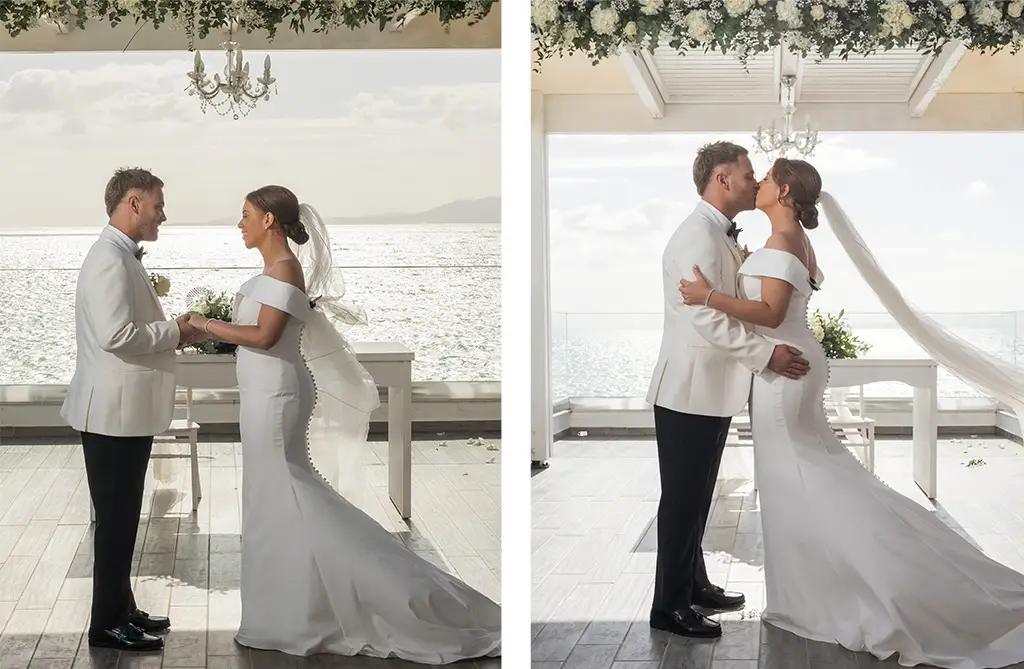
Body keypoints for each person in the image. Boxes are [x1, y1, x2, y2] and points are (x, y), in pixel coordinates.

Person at [678, 158, 1024, 669]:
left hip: (782, 371)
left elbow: (772, 313)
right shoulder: (792, 240)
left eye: (768, 178)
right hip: (795, 362)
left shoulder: (784, 241)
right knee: (809, 477)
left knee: (803, 477)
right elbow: (785, 294)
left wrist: (708, 295)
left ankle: (853, 589)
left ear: (786, 188)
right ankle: (816, 589)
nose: (762, 185)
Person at [183, 185, 501, 664]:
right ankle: (285, 609)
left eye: (246, 214)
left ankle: (361, 597)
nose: (239, 222)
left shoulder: (285, 270)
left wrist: (202, 324)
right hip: (262, 394)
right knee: (274, 497)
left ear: (269, 220)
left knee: (288, 490)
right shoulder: (271, 271)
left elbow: (266, 337)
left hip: (277, 398)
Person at [645, 142, 810, 639]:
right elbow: (704, 317)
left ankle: (694, 585)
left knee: (696, 499)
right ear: (721, 179)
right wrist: (766, 356)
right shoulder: (695, 236)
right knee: (681, 501)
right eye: (746, 174)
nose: (752, 181)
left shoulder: (718, 233)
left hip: (711, 389)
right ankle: (668, 607)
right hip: (688, 389)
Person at [62, 167, 196, 652]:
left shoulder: (120, 256)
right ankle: (105, 626)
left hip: (122, 414)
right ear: (134, 203)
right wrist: (177, 331)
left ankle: (123, 608)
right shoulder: (107, 260)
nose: (164, 215)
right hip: (110, 415)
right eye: (159, 205)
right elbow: (115, 336)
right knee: (116, 521)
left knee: (123, 516)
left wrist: (173, 330)